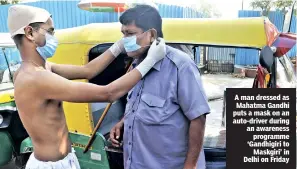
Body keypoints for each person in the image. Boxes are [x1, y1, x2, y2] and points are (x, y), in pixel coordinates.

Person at [7, 4, 166, 169]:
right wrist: (149, 61)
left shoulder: (41, 69)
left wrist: (118, 46)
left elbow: (88, 71)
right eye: (50, 31)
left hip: (64, 159)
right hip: (51, 165)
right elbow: (108, 93)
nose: (54, 37)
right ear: (30, 33)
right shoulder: (36, 78)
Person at [109, 4, 211, 169]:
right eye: (123, 34)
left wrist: (190, 166)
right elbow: (138, 105)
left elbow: (198, 117)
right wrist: (123, 122)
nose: (124, 40)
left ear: (152, 34)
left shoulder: (180, 65)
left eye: (130, 34)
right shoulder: (136, 65)